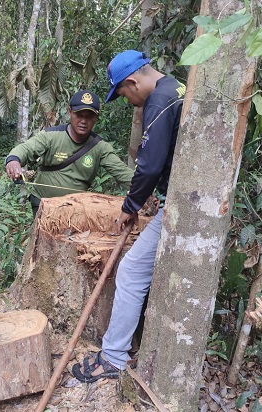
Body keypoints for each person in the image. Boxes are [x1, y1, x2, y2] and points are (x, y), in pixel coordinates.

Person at [72, 50, 186, 382]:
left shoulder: (158, 101)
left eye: (123, 92)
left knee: (132, 271)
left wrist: (129, 206)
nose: (127, 100)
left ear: (132, 81)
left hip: (180, 207)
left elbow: (149, 165)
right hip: (179, 199)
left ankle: (113, 357)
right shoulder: (176, 88)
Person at [5, 89, 134, 215]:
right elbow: (25, 148)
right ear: (69, 112)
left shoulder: (100, 147)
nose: (83, 121)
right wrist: (13, 161)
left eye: (89, 117)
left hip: (75, 209)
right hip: (43, 202)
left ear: (96, 118)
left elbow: (122, 173)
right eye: (79, 115)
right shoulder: (52, 136)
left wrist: (143, 190)